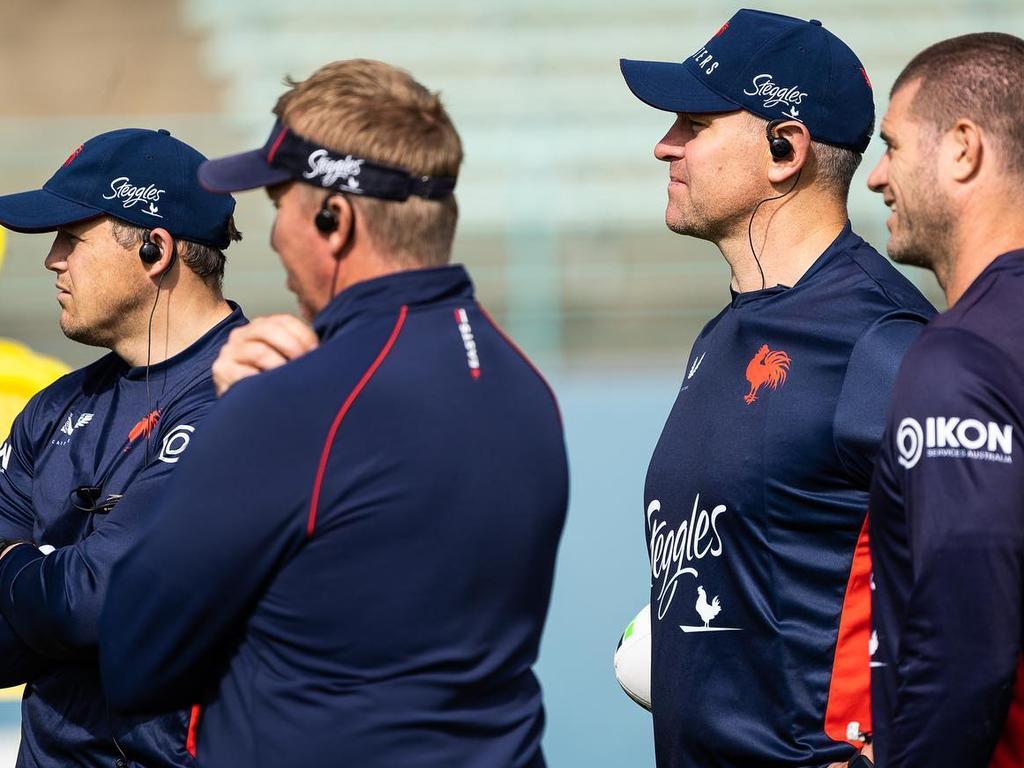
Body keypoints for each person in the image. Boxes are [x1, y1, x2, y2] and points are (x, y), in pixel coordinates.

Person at [99, 60, 569, 768]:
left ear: (333, 218)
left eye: (279, 201)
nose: (275, 235)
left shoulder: (292, 402)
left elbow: (135, 658)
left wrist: (223, 424)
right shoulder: (524, 383)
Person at [619, 9, 935, 767]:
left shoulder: (886, 342)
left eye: (694, 123)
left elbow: (988, 586)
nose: (665, 144)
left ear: (784, 149)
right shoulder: (724, 333)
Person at [0, 128, 245, 768]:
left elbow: (98, 603)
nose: (53, 260)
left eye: (71, 239)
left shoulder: (251, 394)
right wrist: (50, 580)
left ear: (155, 250)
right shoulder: (50, 411)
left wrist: (19, 564)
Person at [867, 32, 1024, 768]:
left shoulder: (961, 360)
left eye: (892, 145)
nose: (876, 177)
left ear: (963, 149)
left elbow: (964, 645)